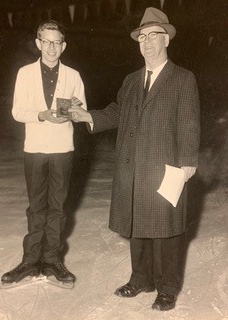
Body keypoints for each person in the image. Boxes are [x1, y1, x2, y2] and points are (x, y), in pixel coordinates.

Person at [69, 7, 200, 310]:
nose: (147, 41)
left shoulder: (183, 78)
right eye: (142, 36)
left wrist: (188, 159)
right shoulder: (130, 80)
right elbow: (117, 111)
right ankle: (141, 278)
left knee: (166, 229)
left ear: (166, 40)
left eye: (154, 35)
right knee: (137, 223)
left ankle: (166, 288)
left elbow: (190, 121)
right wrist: (87, 114)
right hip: (133, 164)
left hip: (165, 165)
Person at [1, 20, 87, 286]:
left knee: (58, 208)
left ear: (64, 46)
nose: (51, 47)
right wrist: (41, 114)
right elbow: (17, 112)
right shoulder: (25, 73)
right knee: (37, 207)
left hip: (62, 149)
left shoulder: (73, 75)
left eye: (57, 42)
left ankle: (51, 260)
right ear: (38, 43)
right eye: (46, 41)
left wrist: (74, 107)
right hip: (35, 149)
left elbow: (82, 110)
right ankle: (30, 261)